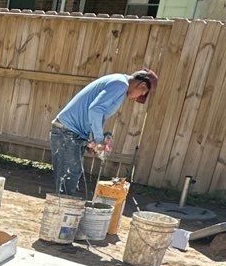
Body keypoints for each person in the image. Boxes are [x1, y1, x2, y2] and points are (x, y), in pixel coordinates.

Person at [49, 68, 156, 197]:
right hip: (66, 131)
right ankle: (63, 212)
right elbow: (95, 110)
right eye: (142, 94)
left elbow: (98, 115)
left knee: (70, 175)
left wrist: (92, 140)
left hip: (71, 131)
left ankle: (63, 211)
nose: (136, 98)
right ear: (142, 86)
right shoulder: (120, 84)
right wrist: (99, 140)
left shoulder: (119, 83)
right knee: (71, 173)